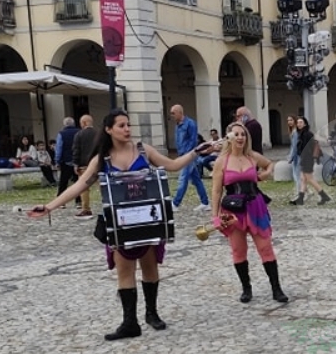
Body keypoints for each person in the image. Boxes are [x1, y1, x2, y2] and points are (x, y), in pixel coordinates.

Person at [27, 109, 205, 340]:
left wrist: (197, 151)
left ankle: (152, 313)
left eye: (128, 124)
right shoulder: (102, 159)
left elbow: (172, 165)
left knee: (150, 268)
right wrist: (50, 206)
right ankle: (130, 322)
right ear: (109, 129)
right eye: (121, 125)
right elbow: (80, 185)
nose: (127, 129)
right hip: (120, 224)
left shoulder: (143, 150)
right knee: (125, 271)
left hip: (147, 221)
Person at [209, 121, 288, 304]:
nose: (240, 137)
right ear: (228, 138)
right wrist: (215, 217)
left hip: (255, 206)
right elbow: (216, 190)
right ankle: (246, 288)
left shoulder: (252, 156)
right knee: (238, 250)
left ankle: (276, 288)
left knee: (265, 247)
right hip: (233, 211)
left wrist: (265, 174)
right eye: (236, 134)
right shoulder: (222, 161)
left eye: (243, 134)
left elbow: (270, 164)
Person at [169, 104, 210, 211]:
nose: (172, 115)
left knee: (183, 179)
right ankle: (205, 202)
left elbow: (193, 140)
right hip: (183, 155)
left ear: (179, 112)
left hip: (189, 156)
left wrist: (188, 155)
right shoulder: (178, 125)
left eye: (173, 113)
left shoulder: (190, 124)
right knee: (196, 180)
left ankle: (175, 203)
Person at [291, 116, 330, 205]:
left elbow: (309, 148)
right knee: (303, 179)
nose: (299, 124)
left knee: (310, 179)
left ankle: (324, 196)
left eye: (301, 122)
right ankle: (300, 199)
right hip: (304, 158)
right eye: (298, 123)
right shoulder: (301, 133)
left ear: (305, 124)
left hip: (307, 159)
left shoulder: (307, 134)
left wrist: (307, 157)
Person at [71, 115, 98, 217]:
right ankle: (108, 205)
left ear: (84, 122)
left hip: (84, 166)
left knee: (84, 188)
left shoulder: (79, 135)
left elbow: (76, 150)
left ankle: (86, 209)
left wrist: (75, 164)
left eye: (81, 123)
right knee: (102, 187)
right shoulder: (98, 134)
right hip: (98, 166)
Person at [54, 116, 81, 201]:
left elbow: (59, 148)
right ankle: (78, 201)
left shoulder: (61, 134)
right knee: (78, 182)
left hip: (66, 161)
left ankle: (61, 201)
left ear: (64, 124)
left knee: (63, 181)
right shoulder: (80, 132)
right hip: (78, 160)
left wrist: (57, 161)